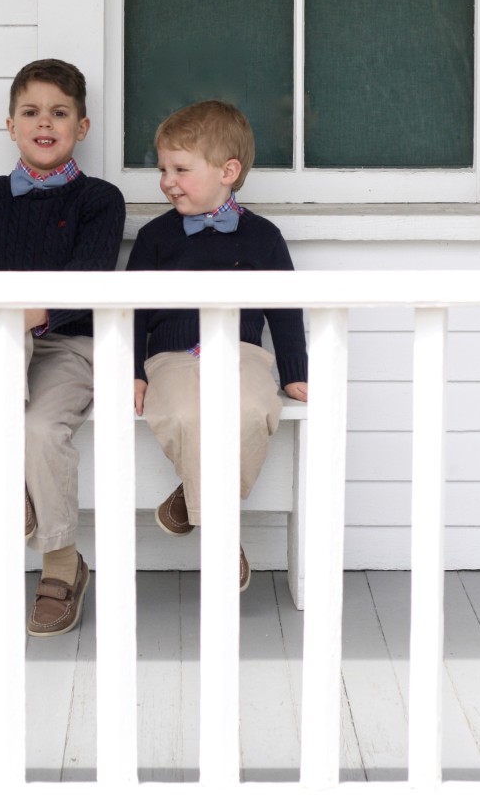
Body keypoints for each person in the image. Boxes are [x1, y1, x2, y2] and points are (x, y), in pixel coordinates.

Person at [0, 58, 125, 635]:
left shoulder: (100, 199)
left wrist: (17, 314)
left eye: (59, 112)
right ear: (10, 125)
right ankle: (15, 484)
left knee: (42, 430)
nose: (44, 123)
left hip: (67, 349)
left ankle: (59, 563)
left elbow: (87, 285)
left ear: (83, 126)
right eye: (31, 112)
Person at [127, 99, 307, 591]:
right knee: (183, 414)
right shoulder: (155, 238)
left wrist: (294, 369)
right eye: (163, 168)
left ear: (228, 171)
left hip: (241, 353)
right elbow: (132, 309)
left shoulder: (263, 237)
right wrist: (132, 370)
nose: (167, 180)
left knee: (252, 409)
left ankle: (191, 499)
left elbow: (285, 307)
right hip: (172, 355)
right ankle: (222, 536)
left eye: (181, 169)